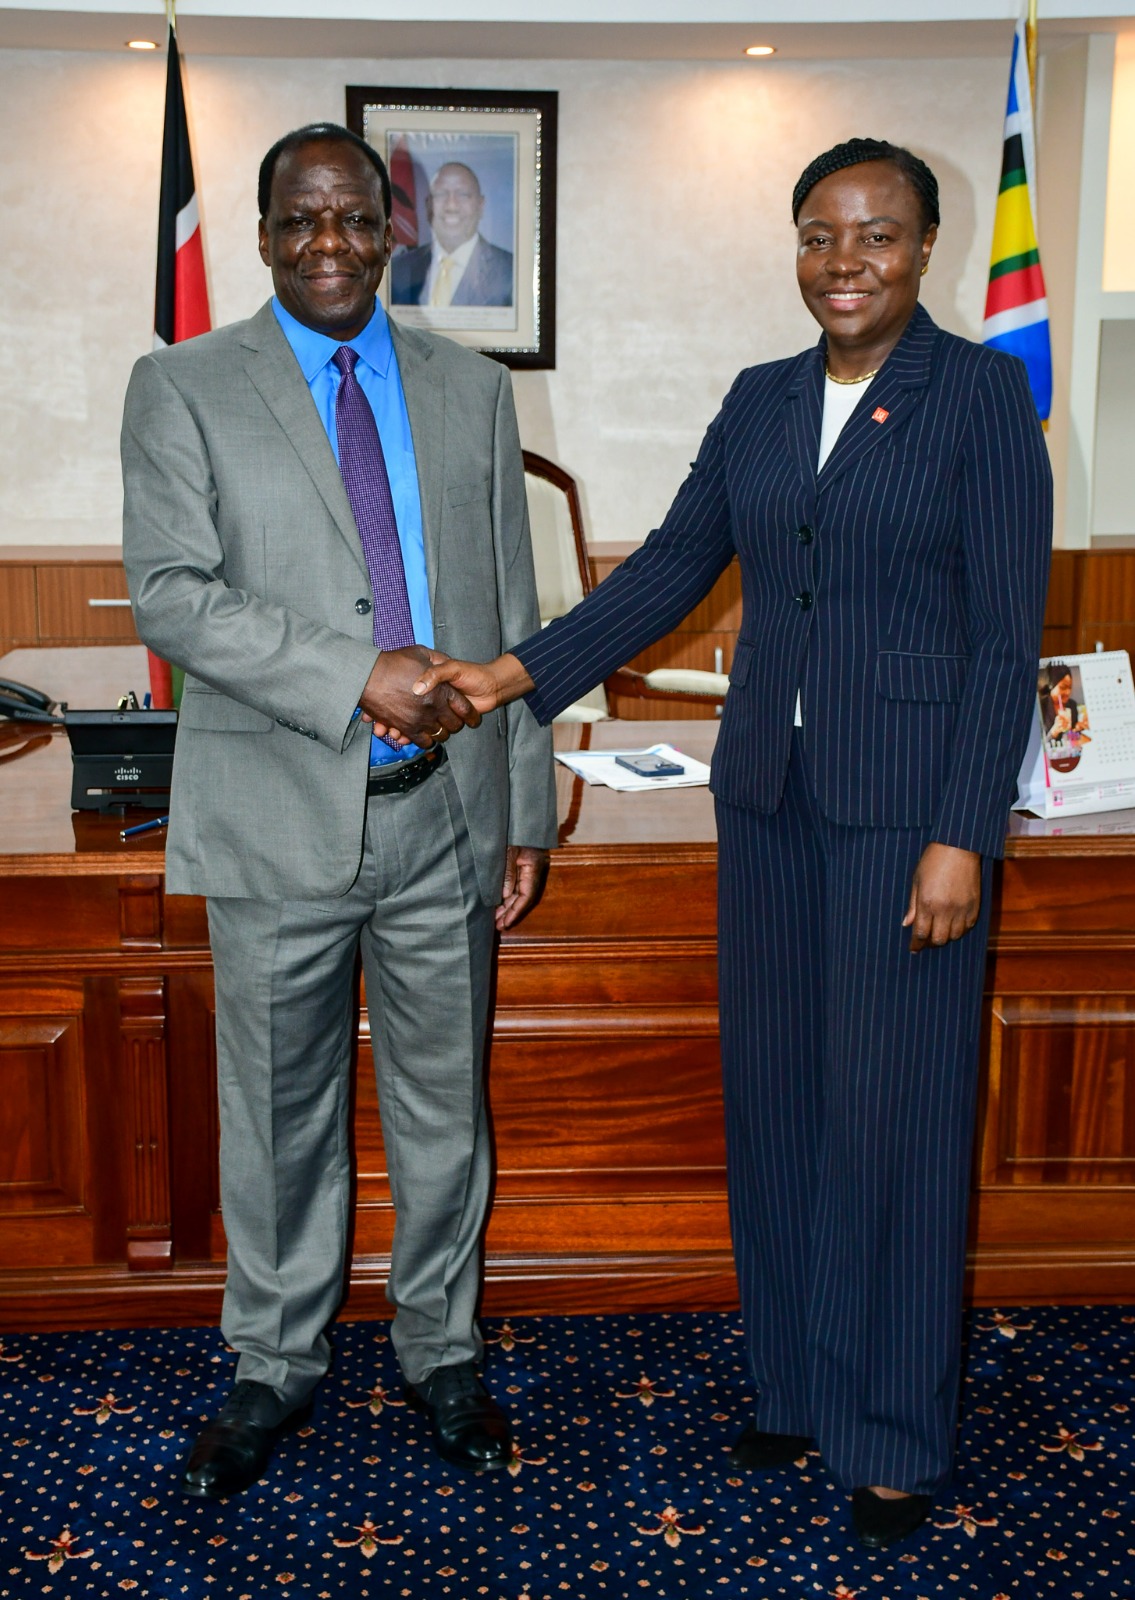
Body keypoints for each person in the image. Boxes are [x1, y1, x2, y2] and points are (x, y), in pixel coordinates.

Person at [411, 138, 1052, 1548]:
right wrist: (511, 674)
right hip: (761, 798)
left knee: (890, 1118)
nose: (844, 262)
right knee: (775, 1103)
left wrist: (962, 836)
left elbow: (1006, 644)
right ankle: (794, 1383)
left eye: (876, 236)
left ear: (926, 248)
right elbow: (663, 571)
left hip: (904, 817)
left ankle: (889, 1426)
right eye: (820, 235)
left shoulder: (981, 397)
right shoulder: (761, 403)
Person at [121, 122, 555, 1499]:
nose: (329, 242)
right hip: (274, 818)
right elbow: (172, 593)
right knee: (279, 1113)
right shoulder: (184, 382)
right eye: (300, 218)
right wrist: (350, 673)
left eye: (355, 218)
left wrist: (525, 806)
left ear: (392, 230)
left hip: (444, 823)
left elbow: (510, 614)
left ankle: (441, 1348)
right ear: (260, 233)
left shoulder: (470, 390)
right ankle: (274, 1360)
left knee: (443, 1112)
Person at [391, 161, 515, 308]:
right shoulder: (398, 270)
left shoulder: (511, 272)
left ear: (480, 205)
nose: (451, 205)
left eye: (463, 194)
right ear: (428, 205)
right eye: (441, 194)